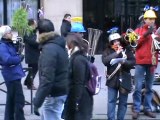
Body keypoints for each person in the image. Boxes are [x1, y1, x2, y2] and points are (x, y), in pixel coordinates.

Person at [33, 19, 69, 120]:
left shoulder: (49, 49)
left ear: (40, 33)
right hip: (60, 90)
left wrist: (37, 101)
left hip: (54, 94)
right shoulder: (57, 45)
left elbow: (47, 78)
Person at [102, 29, 135, 120]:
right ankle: (111, 118)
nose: (116, 43)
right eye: (114, 41)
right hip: (112, 79)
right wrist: (116, 53)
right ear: (111, 42)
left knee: (123, 102)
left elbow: (133, 62)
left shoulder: (126, 49)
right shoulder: (107, 51)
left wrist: (125, 62)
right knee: (111, 101)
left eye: (118, 40)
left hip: (124, 79)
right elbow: (105, 61)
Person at [132, 9, 159, 119]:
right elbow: (135, 44)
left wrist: (156, 62)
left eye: (153, 19)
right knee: (138, 87)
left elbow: (158, 48)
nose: (152, 21)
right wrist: (146, 34)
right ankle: (136, 109)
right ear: (144, 20)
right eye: (150, 19)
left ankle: (147, 108)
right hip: (140, 63)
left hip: (151, 63)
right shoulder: (138, 30)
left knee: (149, 88)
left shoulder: (157, 32)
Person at [64, 32, 93, 120]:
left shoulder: (78, 59)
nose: (66, 46)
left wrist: (77, 101)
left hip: (81, 98)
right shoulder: (76, 57)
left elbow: (79, 81)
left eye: (67, 43)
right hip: (78, 97)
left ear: (71, 44)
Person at [0, 25, 25, 120]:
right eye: (10, 32)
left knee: (11, 100)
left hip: (14, 74)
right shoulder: (2, 46)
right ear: (5, 35)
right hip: (11, 75)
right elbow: (7, 59)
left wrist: (18, 48)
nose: (11, 34)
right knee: (19, 100)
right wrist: (19, 58)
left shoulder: (8, 44)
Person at [23, 19, 40, 90]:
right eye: (35, 23)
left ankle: (27, 82)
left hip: (33, 53)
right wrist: (39, 42)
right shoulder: (27, 32)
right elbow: (33, 42)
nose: (36, 24)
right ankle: (29, 83)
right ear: (32, 24)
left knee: (33, 69)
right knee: (33, 69)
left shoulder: (31, 31)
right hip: (31, 54)